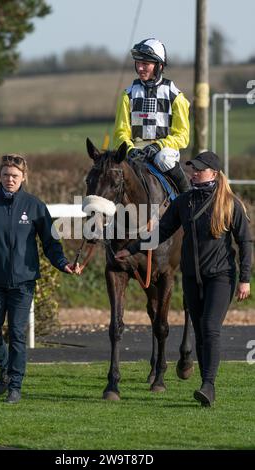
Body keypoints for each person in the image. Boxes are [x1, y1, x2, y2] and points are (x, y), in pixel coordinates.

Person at [115, 151, 252, 407]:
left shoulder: (230, 203)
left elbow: (244, 242)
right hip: (191, 277)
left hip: (221, 277)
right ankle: (205, 384)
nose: (193, 172)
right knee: (200, 333)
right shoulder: (184, 202)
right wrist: (132, 248)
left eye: (199, 169)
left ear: (213, 172)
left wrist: (245, 278)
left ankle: (208, 386)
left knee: (211, 328)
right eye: (192, 169)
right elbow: (162, 231)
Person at [0, 154, 80, 404]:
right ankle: (4, 366)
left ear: (24, 177)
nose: (10, 179)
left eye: (14, 175)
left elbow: (50, 243)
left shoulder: (35, 206)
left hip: (24, 284)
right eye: (5, 175)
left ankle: (15, 384)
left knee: (17, 333)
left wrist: (63, 264)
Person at [113, 37, 190, 193]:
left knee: (164, 159)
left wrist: (158, 145)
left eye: (145, 64)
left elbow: (182, 136)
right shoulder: (127, 95)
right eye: (138, 63)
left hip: (164, 150)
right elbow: (121, 132)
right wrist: (130, 149)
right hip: (135, 150)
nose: (140, 68)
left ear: (159, 66)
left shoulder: (175, 96)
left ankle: (188, 199)